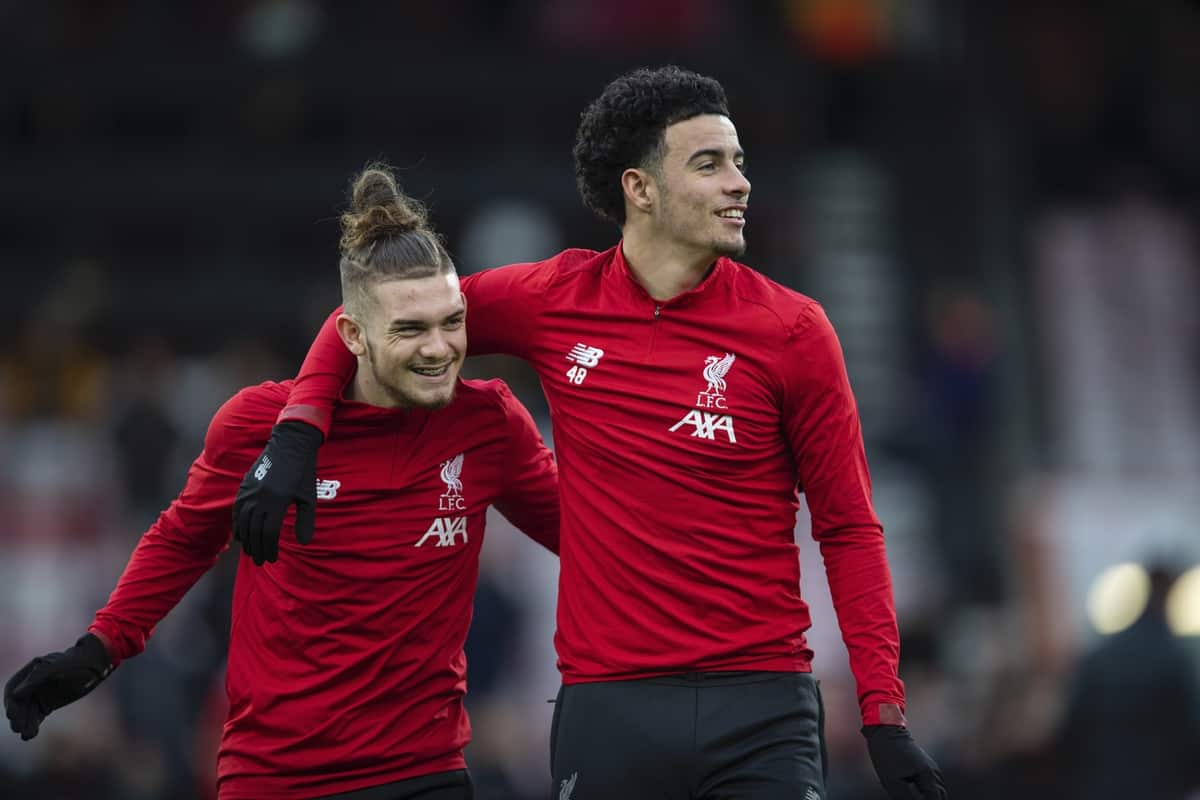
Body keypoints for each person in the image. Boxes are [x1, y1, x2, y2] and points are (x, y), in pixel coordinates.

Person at [234, 66, 946, 800]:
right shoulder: (554, 300)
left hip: (761, 710)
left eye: (739, 161)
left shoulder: (794, 332)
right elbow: (370, 319)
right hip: (609, 714)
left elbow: (850, 528)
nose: (740, 182)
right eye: (709, 163)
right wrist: (298, 432)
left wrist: (882, 711)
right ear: (639, 189)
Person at [4, 167, 560, 800]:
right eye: (409, 329)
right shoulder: (256, 424)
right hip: (276, 777)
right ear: (352, 334)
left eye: (452, 322)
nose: (439, 348)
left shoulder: (488, 423)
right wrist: (101, 647)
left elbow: (585, 531)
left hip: (424, 772)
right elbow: (183, 540)